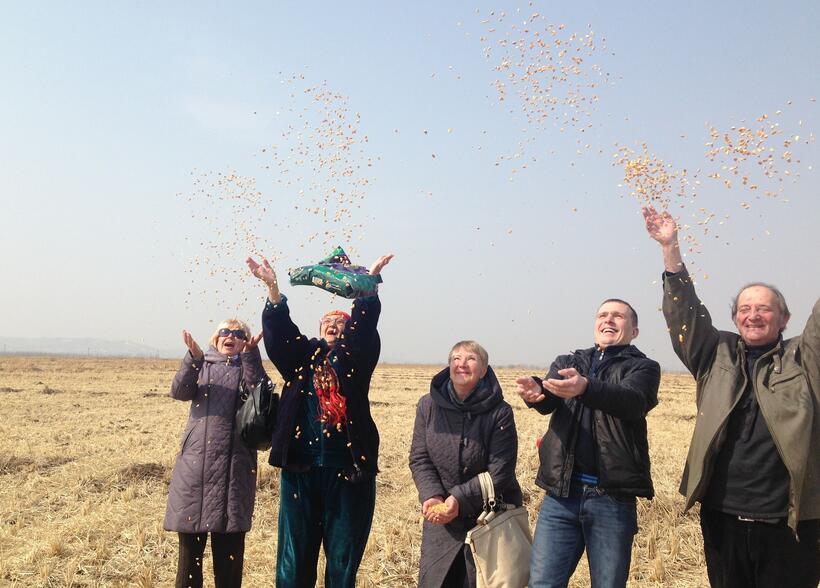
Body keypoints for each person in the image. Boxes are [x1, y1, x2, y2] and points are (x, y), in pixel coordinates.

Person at [642, 204, 820, 588]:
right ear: (736, 317)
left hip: (791, 523)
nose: (753, 315)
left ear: (784, 319)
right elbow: (685, 316)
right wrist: (670, 249)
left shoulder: (804, 358)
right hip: (723, 516)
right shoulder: (716, 352)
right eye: (745, 309)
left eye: (764, 309)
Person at [246, 253, 393, 588]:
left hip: (349, 470)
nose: (332, 325)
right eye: (327, 321)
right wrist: (273, 290)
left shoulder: (356, 358)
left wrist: (367, 289)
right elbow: (281, 337)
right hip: (301, 468)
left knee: (342, 562)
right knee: (293, 561)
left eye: (340, 322)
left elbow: (363, 331)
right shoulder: (303, 358)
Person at [516, 299, 660, 588]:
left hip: (612, 498)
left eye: (618, 316)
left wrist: (586, 387)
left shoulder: (644, 368)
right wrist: (536, 392)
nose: (608, 320)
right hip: (561, 496)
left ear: (634, 331)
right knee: (542, 583)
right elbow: (549, 398)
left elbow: (631, 402)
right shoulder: (568, 362)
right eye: (602, 315)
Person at [409, 341, 523, 588]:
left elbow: (500, 471)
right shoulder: (428, 405)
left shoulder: (500, 412)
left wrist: (459, 499)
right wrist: (432, 495)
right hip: (442, 521)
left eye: (471, 359)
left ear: (483, 370)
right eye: (456, 358)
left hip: (488, 519)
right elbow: (420, 457)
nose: (462, 364)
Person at [164, 319, 267, 588]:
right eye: (225, 332)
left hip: (235, 474)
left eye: (238, 333)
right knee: (189, 563)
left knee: (229, 563)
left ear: (245, 342)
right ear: (215, 338)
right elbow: (179, 391)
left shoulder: (249, 368)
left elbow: (262, 398)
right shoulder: (202, 365)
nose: (230, 336)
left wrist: (251, 357)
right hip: (195, 474)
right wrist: (193, 358)